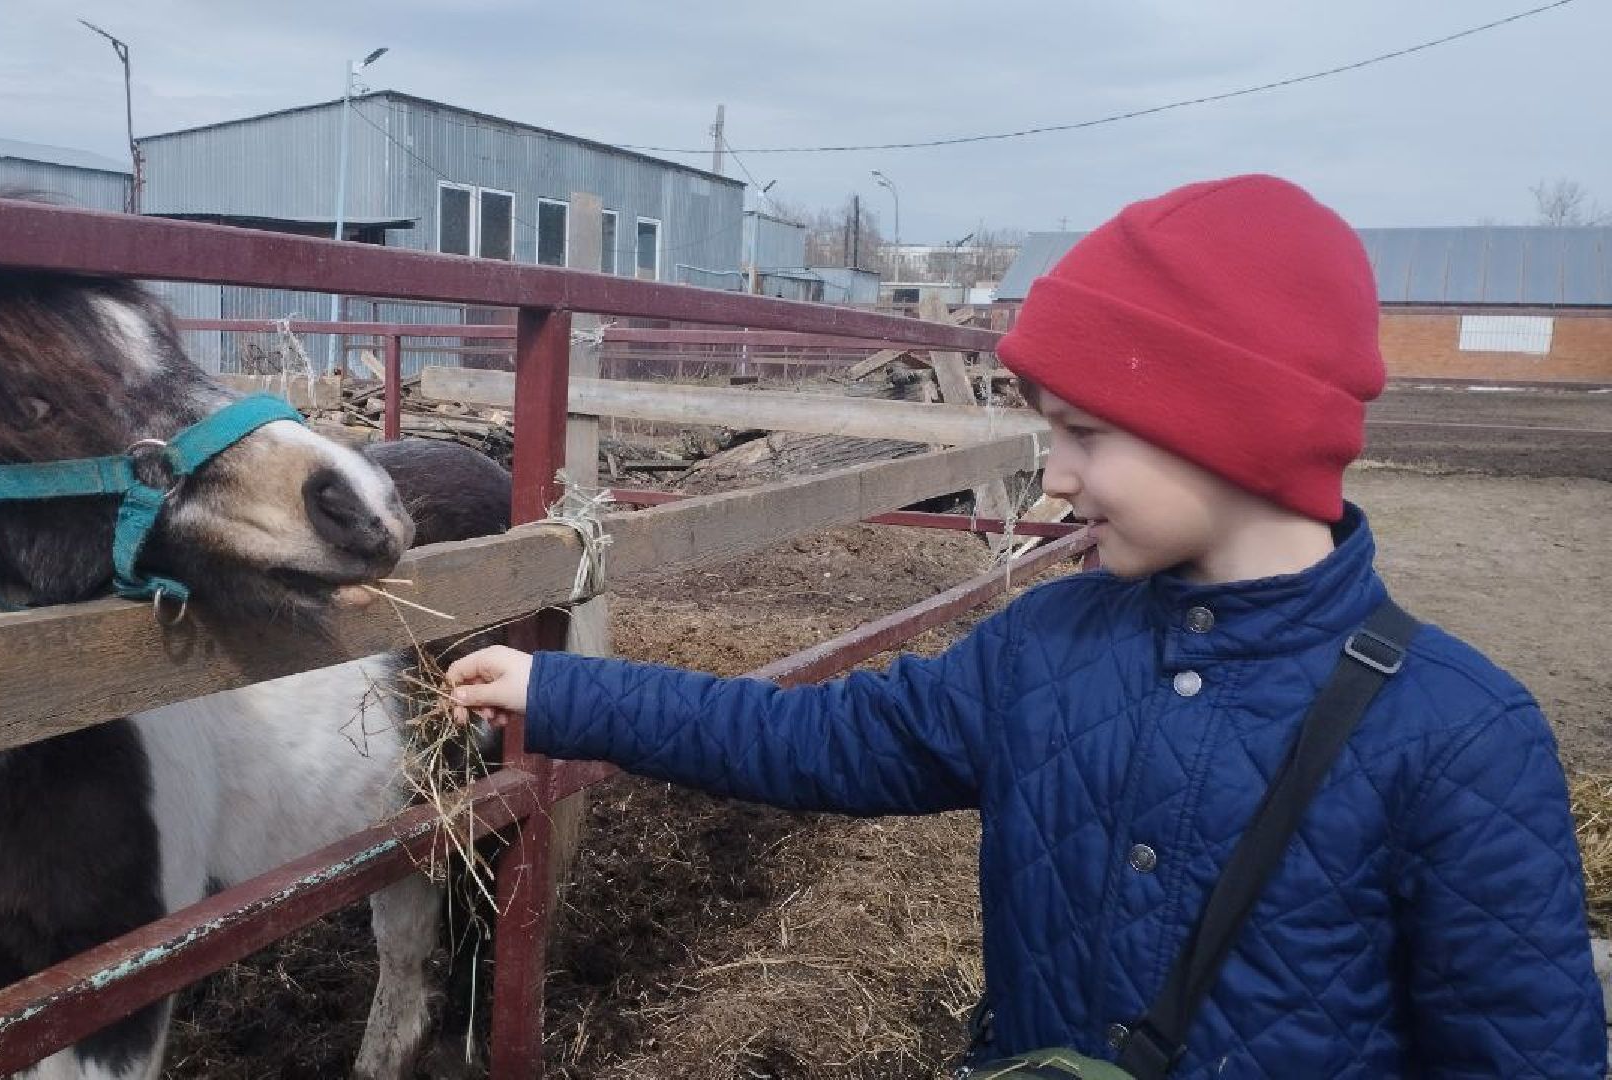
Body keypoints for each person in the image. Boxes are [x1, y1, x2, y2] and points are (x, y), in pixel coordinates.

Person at [444, 175, 1607, 1076]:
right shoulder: (1045, 650)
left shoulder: (1460, 740)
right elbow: (815, 740)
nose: (1054, 478)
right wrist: (565, 692)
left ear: (1234, 427)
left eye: (1087, 433)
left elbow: (1522, 1051)